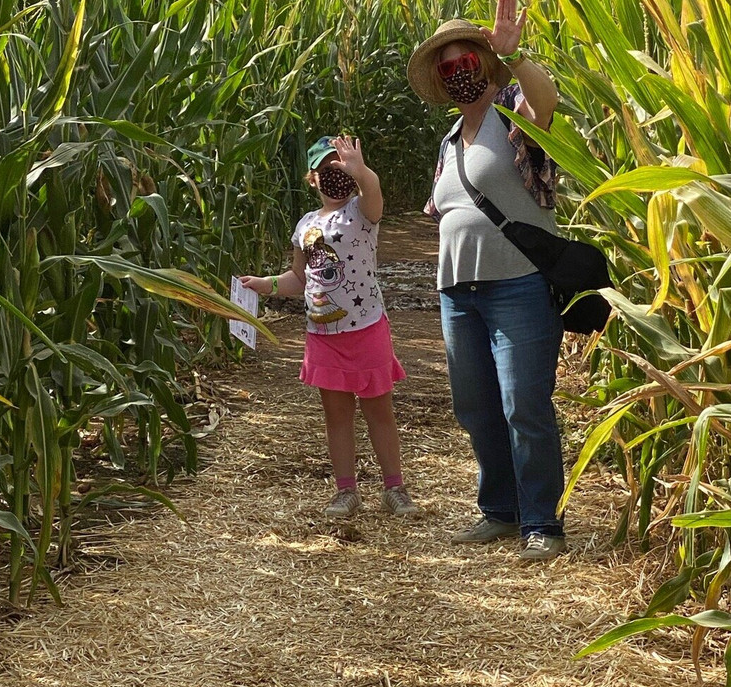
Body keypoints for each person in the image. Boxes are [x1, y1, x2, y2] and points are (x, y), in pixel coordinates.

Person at [407, 0, 566, 560]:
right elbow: (444, 214)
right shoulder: (449, 141)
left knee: (524, 404)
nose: (458, 72)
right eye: (446, 68)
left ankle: (542, 522)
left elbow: (546, 103)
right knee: (476, 407)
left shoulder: (512, 115)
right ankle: (499, 511)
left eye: (466, 60)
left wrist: (514, 54)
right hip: (459, 294)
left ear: (485, 61)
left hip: (519, 284)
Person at [240, 135, 419, 519]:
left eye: (341, 169)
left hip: (367, 328)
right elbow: (299, 278)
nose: (335, 175)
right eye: (327, 170)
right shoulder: (306, 225)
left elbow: (373, 191)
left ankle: (394, 488)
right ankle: (345, 491)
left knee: (379, 412)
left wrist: (361, 170)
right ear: (312, 179)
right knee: (336, 416)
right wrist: (264, 284)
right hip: (323, 336)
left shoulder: (361, 211)